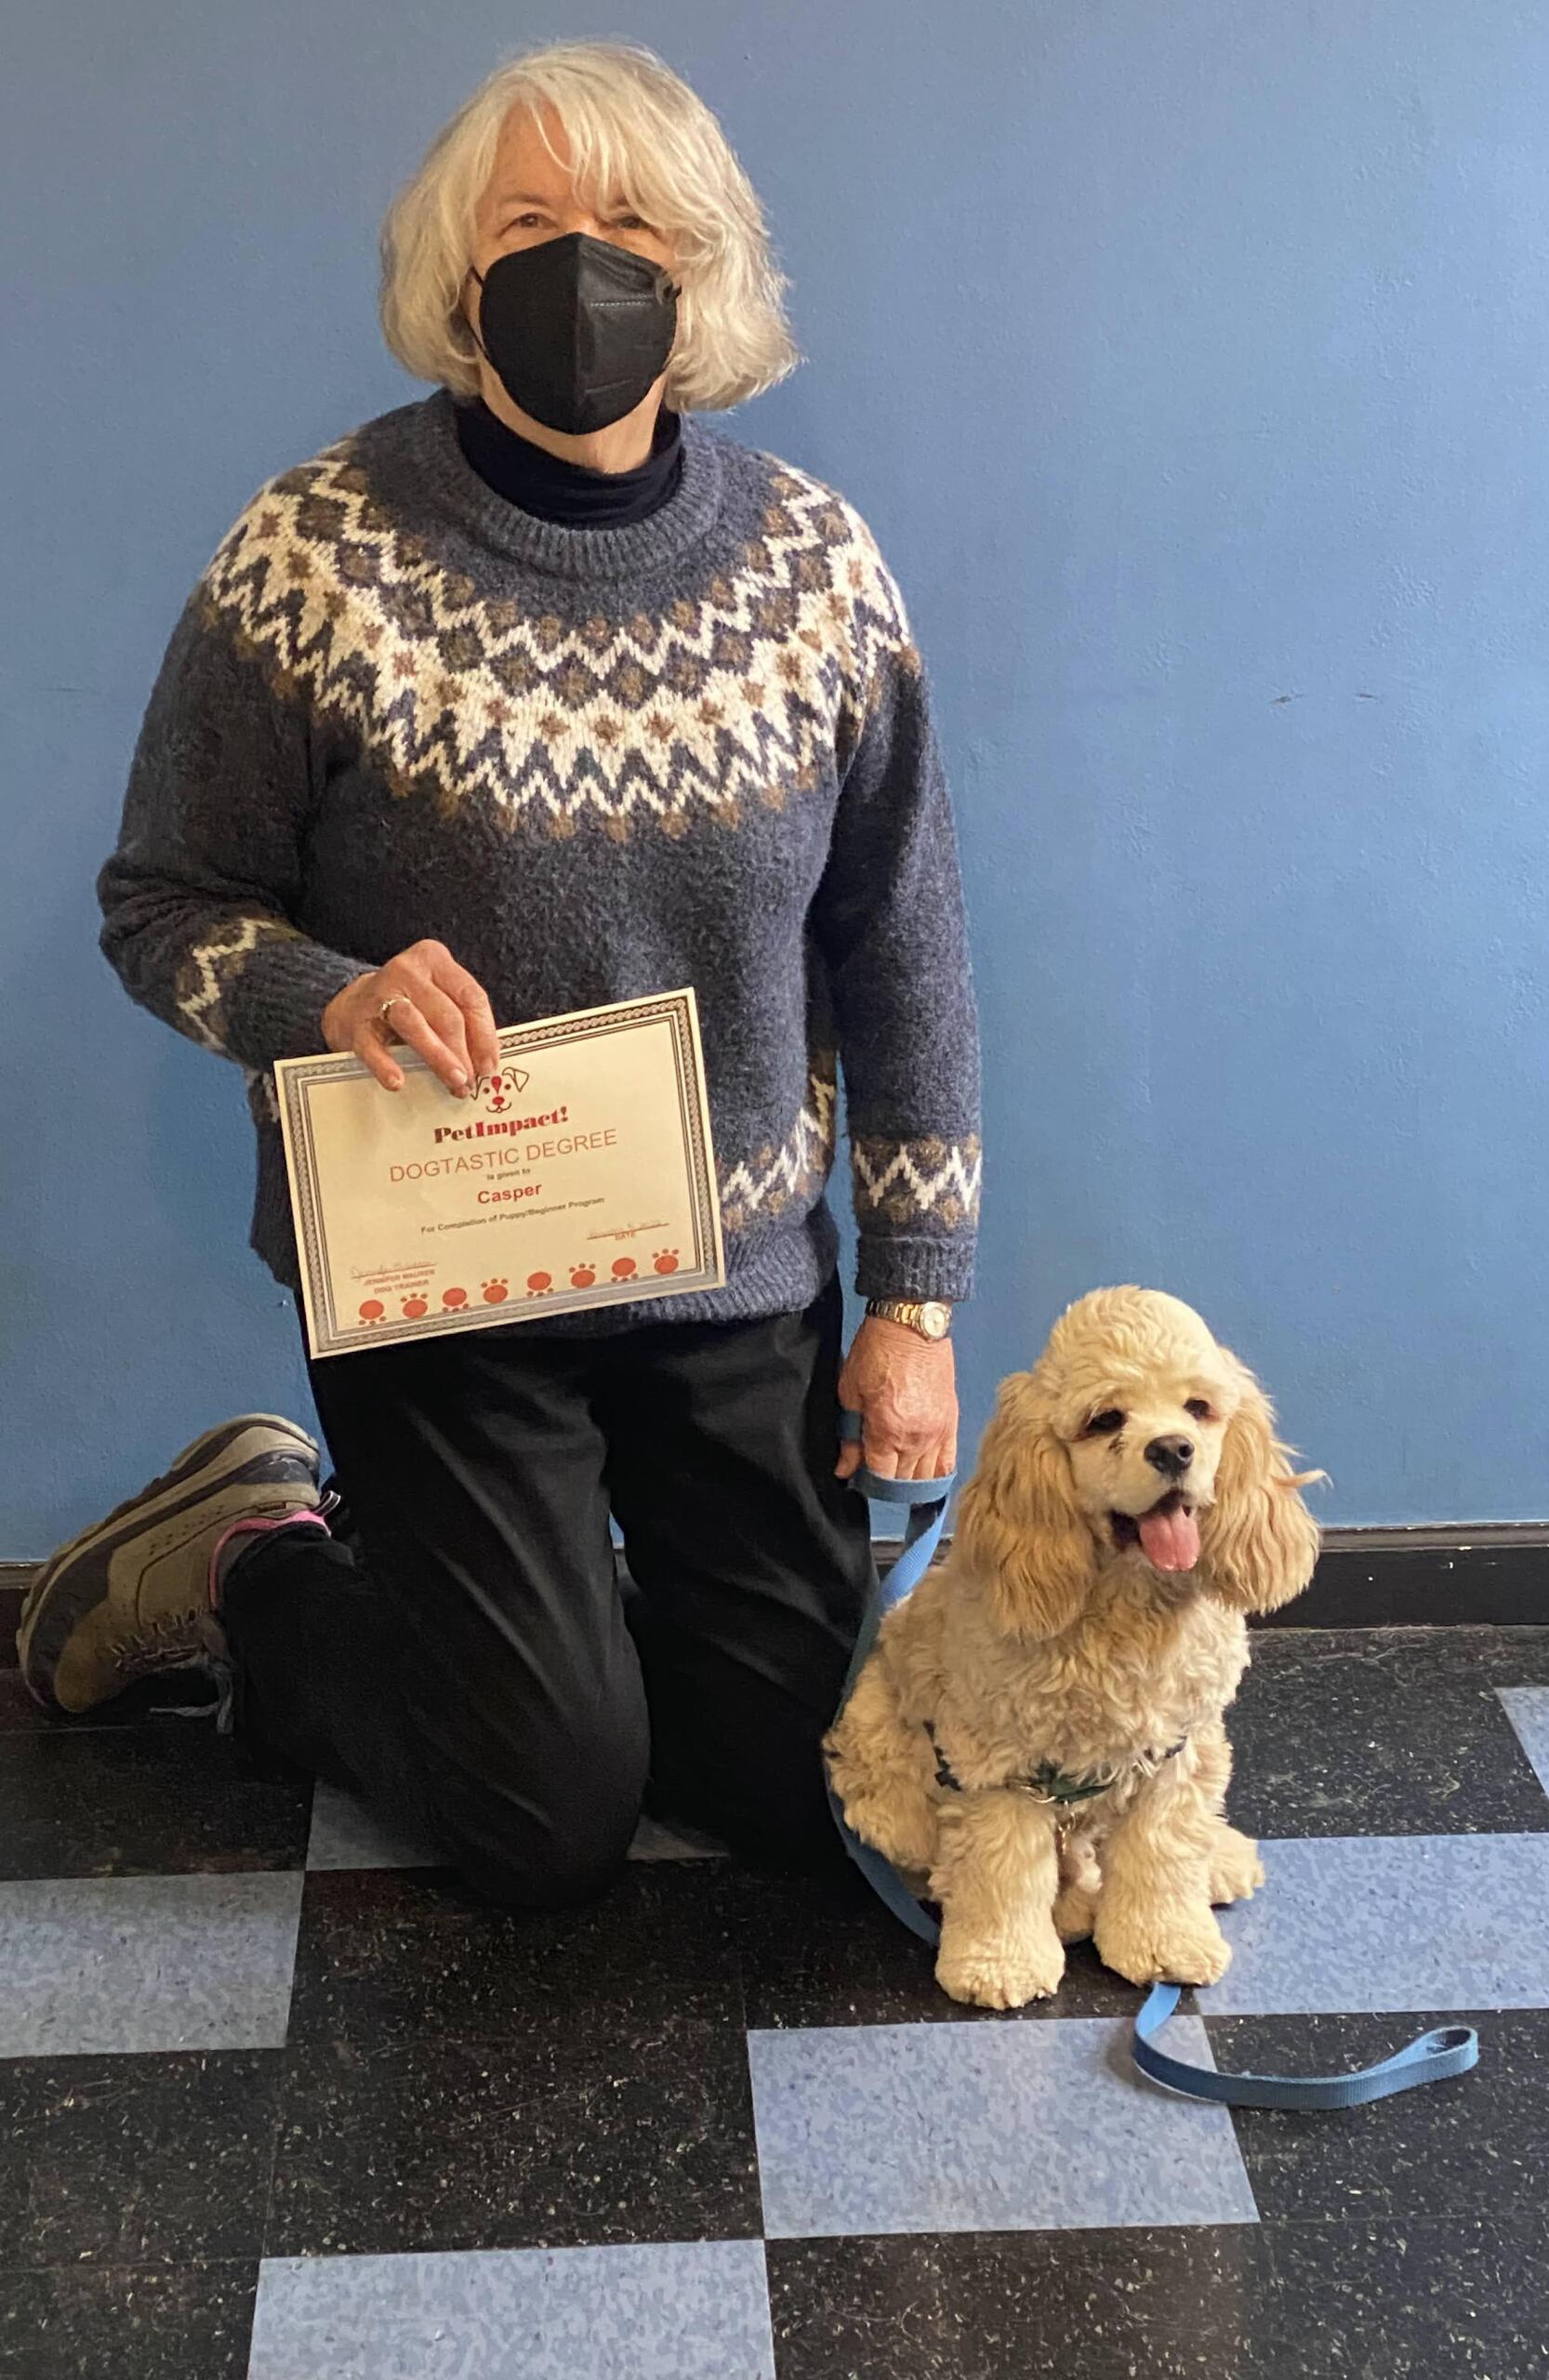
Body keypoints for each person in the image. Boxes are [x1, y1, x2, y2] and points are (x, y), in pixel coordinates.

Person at [18, 40, 980, 1906]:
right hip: (446, 1281)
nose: (582, 262)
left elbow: (901, 938)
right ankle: (254, 1566)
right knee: (544, 1820)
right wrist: (326, 998)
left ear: (701, 265)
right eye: (530, 222)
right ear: (456, 274)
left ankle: (548, 1633)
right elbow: (164, 902)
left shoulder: (816, 571)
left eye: (628, 220)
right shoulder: (313, 556)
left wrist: (916, 1301)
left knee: (809, 1788)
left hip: (732, 1274)